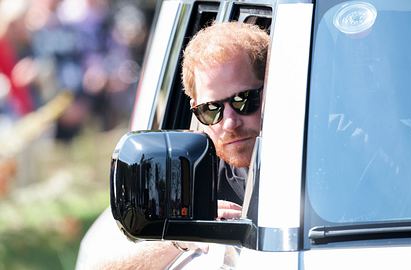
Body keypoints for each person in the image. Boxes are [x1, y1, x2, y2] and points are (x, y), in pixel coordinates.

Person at [75, 21, 270, 269]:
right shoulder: (188, 168)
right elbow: (101, 264)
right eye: (212, 110)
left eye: (243, 100)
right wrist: (185, 236)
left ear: (273, 89)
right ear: (196, 113)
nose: (229, 122)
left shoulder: (324, 155)